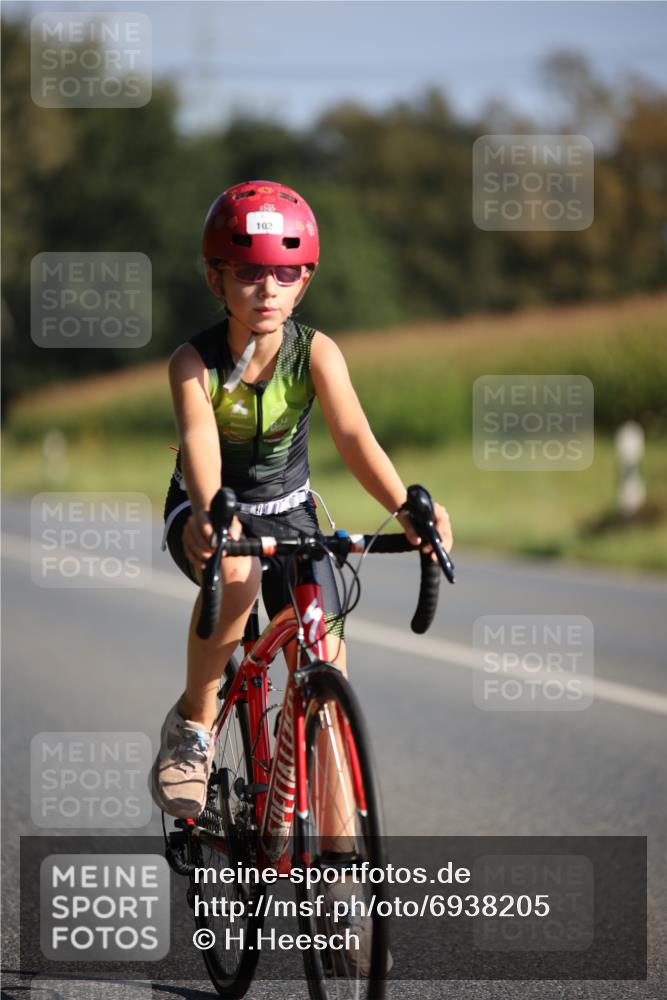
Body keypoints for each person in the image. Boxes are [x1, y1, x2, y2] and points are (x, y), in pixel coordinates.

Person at [149, 179, 453, 970]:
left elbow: (354, 435)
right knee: (241, 577)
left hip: (290, 512)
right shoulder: (194, 361)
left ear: (307, 278)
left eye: (286, 274)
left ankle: (337, 898)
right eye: (249, 272)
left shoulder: (315, 351)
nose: (268, 289)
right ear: (215, 278)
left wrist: (406, 508)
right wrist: (215, 516)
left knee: (326, 666)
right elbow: (201, 447)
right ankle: (191, 724)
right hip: (209, 512)